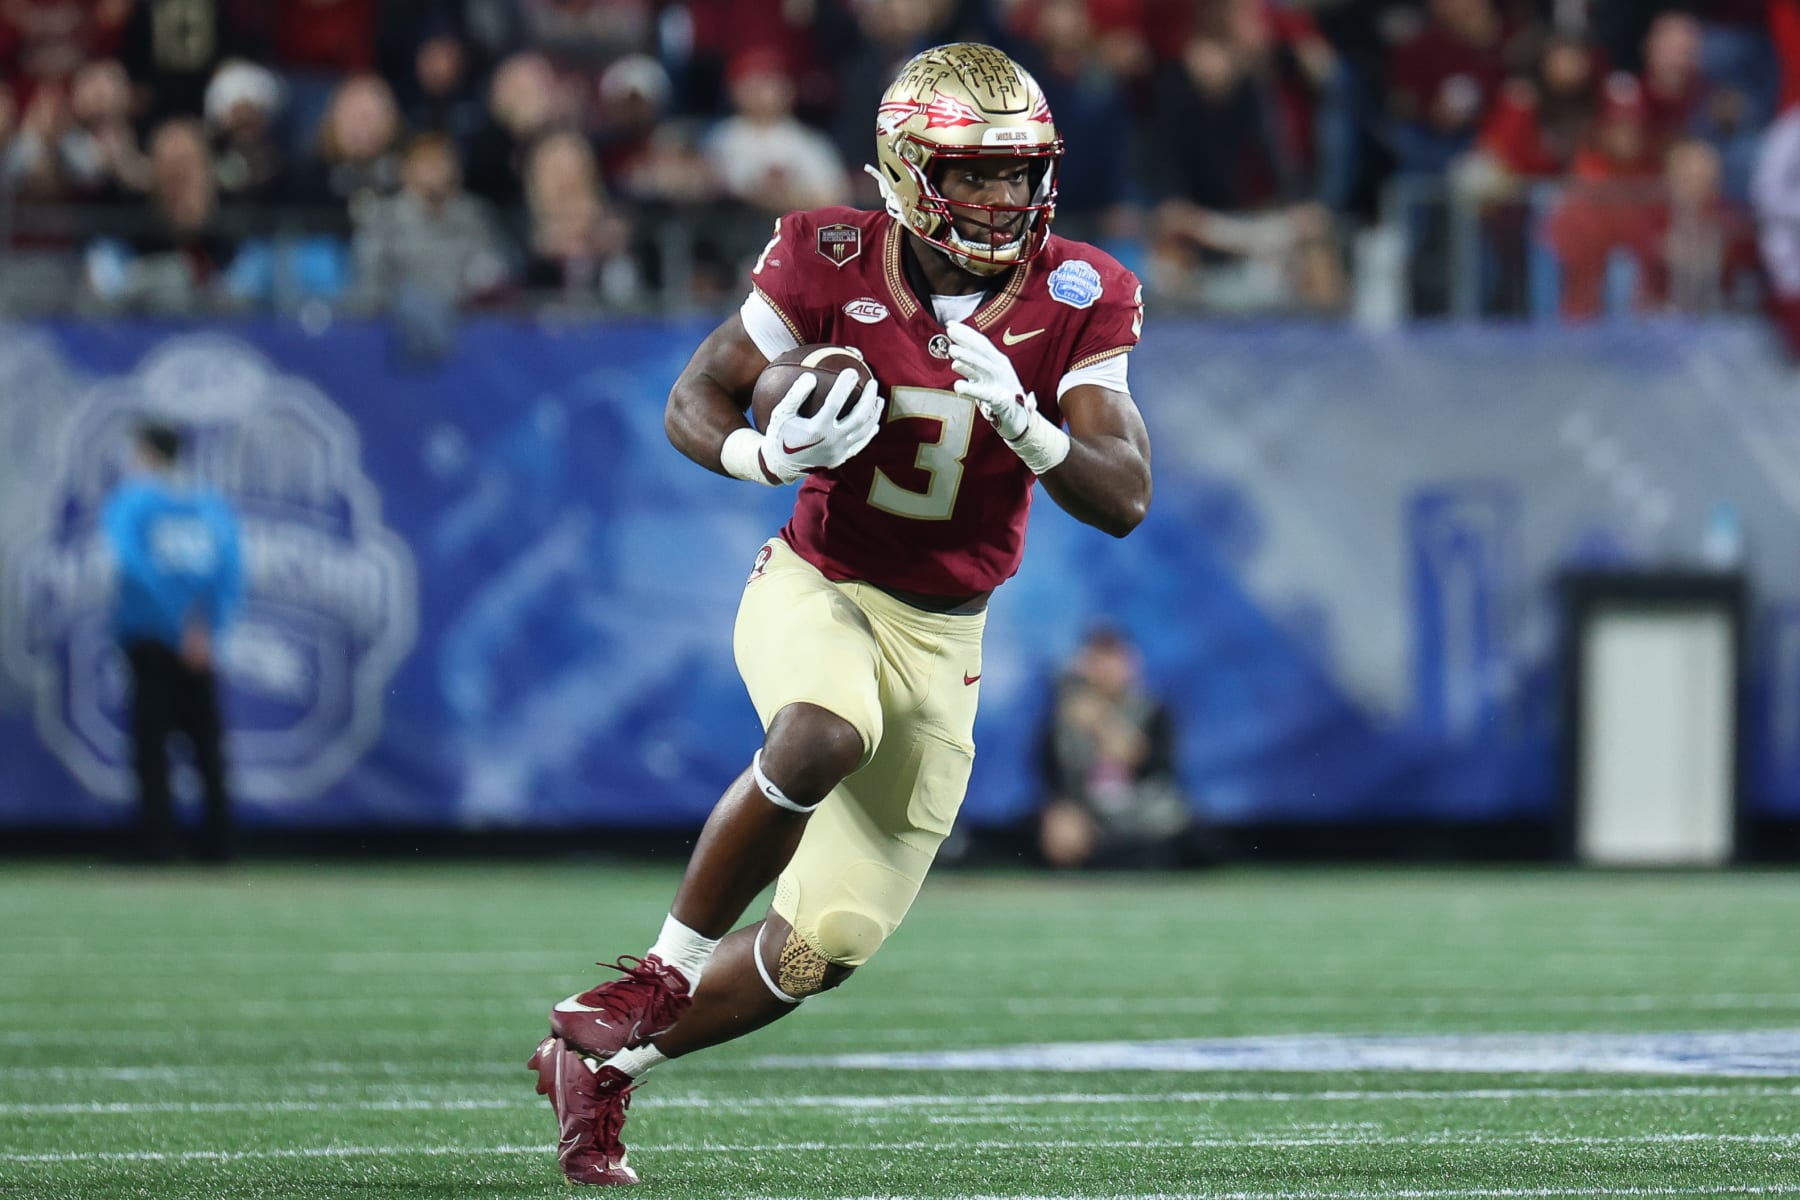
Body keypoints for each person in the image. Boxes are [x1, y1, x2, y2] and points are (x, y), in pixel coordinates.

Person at [527, 41, 1153, 1188]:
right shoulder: (826, 253)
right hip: (818, 582)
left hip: (946, 635)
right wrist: (763, 452)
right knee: (823, 729)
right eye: (973, 174)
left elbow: (1125, 497)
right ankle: (655, 971)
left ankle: (606, 1070)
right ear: (908, 171)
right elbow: (695, 396)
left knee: (826, 949)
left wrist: (1033, 427)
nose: (1002, 197)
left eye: (1018, 173)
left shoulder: (1081, 288)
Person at [101, 422, 244, 863]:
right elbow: (232, 572)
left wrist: (176, 623)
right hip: (199, 641)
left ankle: (159, 845)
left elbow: (131, 562)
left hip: (152, 637)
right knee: (205, 743)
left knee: (152, 742)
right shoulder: (209, 505)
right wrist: (206, 629)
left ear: (146, 452)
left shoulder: (134, 501)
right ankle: (219, 845)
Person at [1036, 626, 1191, 870]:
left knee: (1177, 844)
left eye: (1113, 659)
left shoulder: (1151, 709)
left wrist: (1101, 724)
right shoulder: (1065, 714)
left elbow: (1156, 767)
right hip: (1090, 817)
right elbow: (1051, 771)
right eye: (1097, 660)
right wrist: (1062, 809)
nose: (1105, 669)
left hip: (1144, 814)